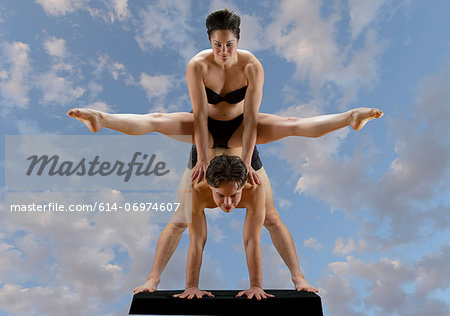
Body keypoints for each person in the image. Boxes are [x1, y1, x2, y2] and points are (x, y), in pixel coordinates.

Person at [67, 8, 383, 293]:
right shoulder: (198, 65)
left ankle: (348, 119)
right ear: (210, 40)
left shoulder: (252, 66)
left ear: (237, 39)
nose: (223, 50)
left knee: (285, 151)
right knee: (161, 131)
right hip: (203, 132)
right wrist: (202, 158)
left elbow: (251, 119)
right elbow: (199, 114)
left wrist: (246, 165)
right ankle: (103, 119)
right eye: (217, 44)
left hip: (241, 131)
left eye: (229, 43)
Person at [173, 155, 274, 300]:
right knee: (177, 224)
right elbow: (197, 240)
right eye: (220, 195)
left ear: (243, 186)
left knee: (273, 220)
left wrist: (256, 286)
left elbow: (251, 240)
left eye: (234, 195)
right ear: (209, 186)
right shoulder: (194, 190)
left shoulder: (256, 189)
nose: (227, 203)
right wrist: (191, 286)